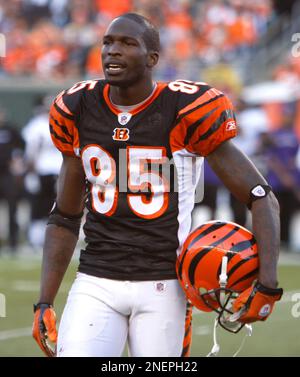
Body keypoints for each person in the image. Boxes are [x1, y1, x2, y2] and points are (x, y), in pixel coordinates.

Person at [32, 13, 283, 357]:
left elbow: (260, 197)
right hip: (95, 280)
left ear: (152, 59)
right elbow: (64, 216)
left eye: (126, 43)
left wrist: (267, 284)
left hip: (164, 285)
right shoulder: (77, 108)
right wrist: (44, 301)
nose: (113, 51)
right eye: (108, 42)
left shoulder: (185, 109)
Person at [0, 107, 25, 253]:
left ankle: (13, 243)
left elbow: (22, 146)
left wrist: (17, 160)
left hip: (7, 174)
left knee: (12, 208)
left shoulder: (11, 130)